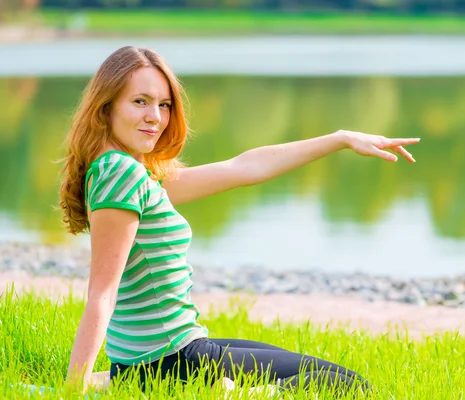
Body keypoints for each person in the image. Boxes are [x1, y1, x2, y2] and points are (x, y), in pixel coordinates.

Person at [58, 46, 420, 396]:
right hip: (172, 361)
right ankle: (235, 393)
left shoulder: (132, 173)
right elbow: (101, 293)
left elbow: (244, 168)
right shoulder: (121, 175)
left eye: (164, 104)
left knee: (312, 370)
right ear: (105, 108)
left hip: (167, 354)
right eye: (140, 101)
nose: (156, 116)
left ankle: (126, 381)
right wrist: (73, 386)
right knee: (346, 385)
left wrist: (340, 139)